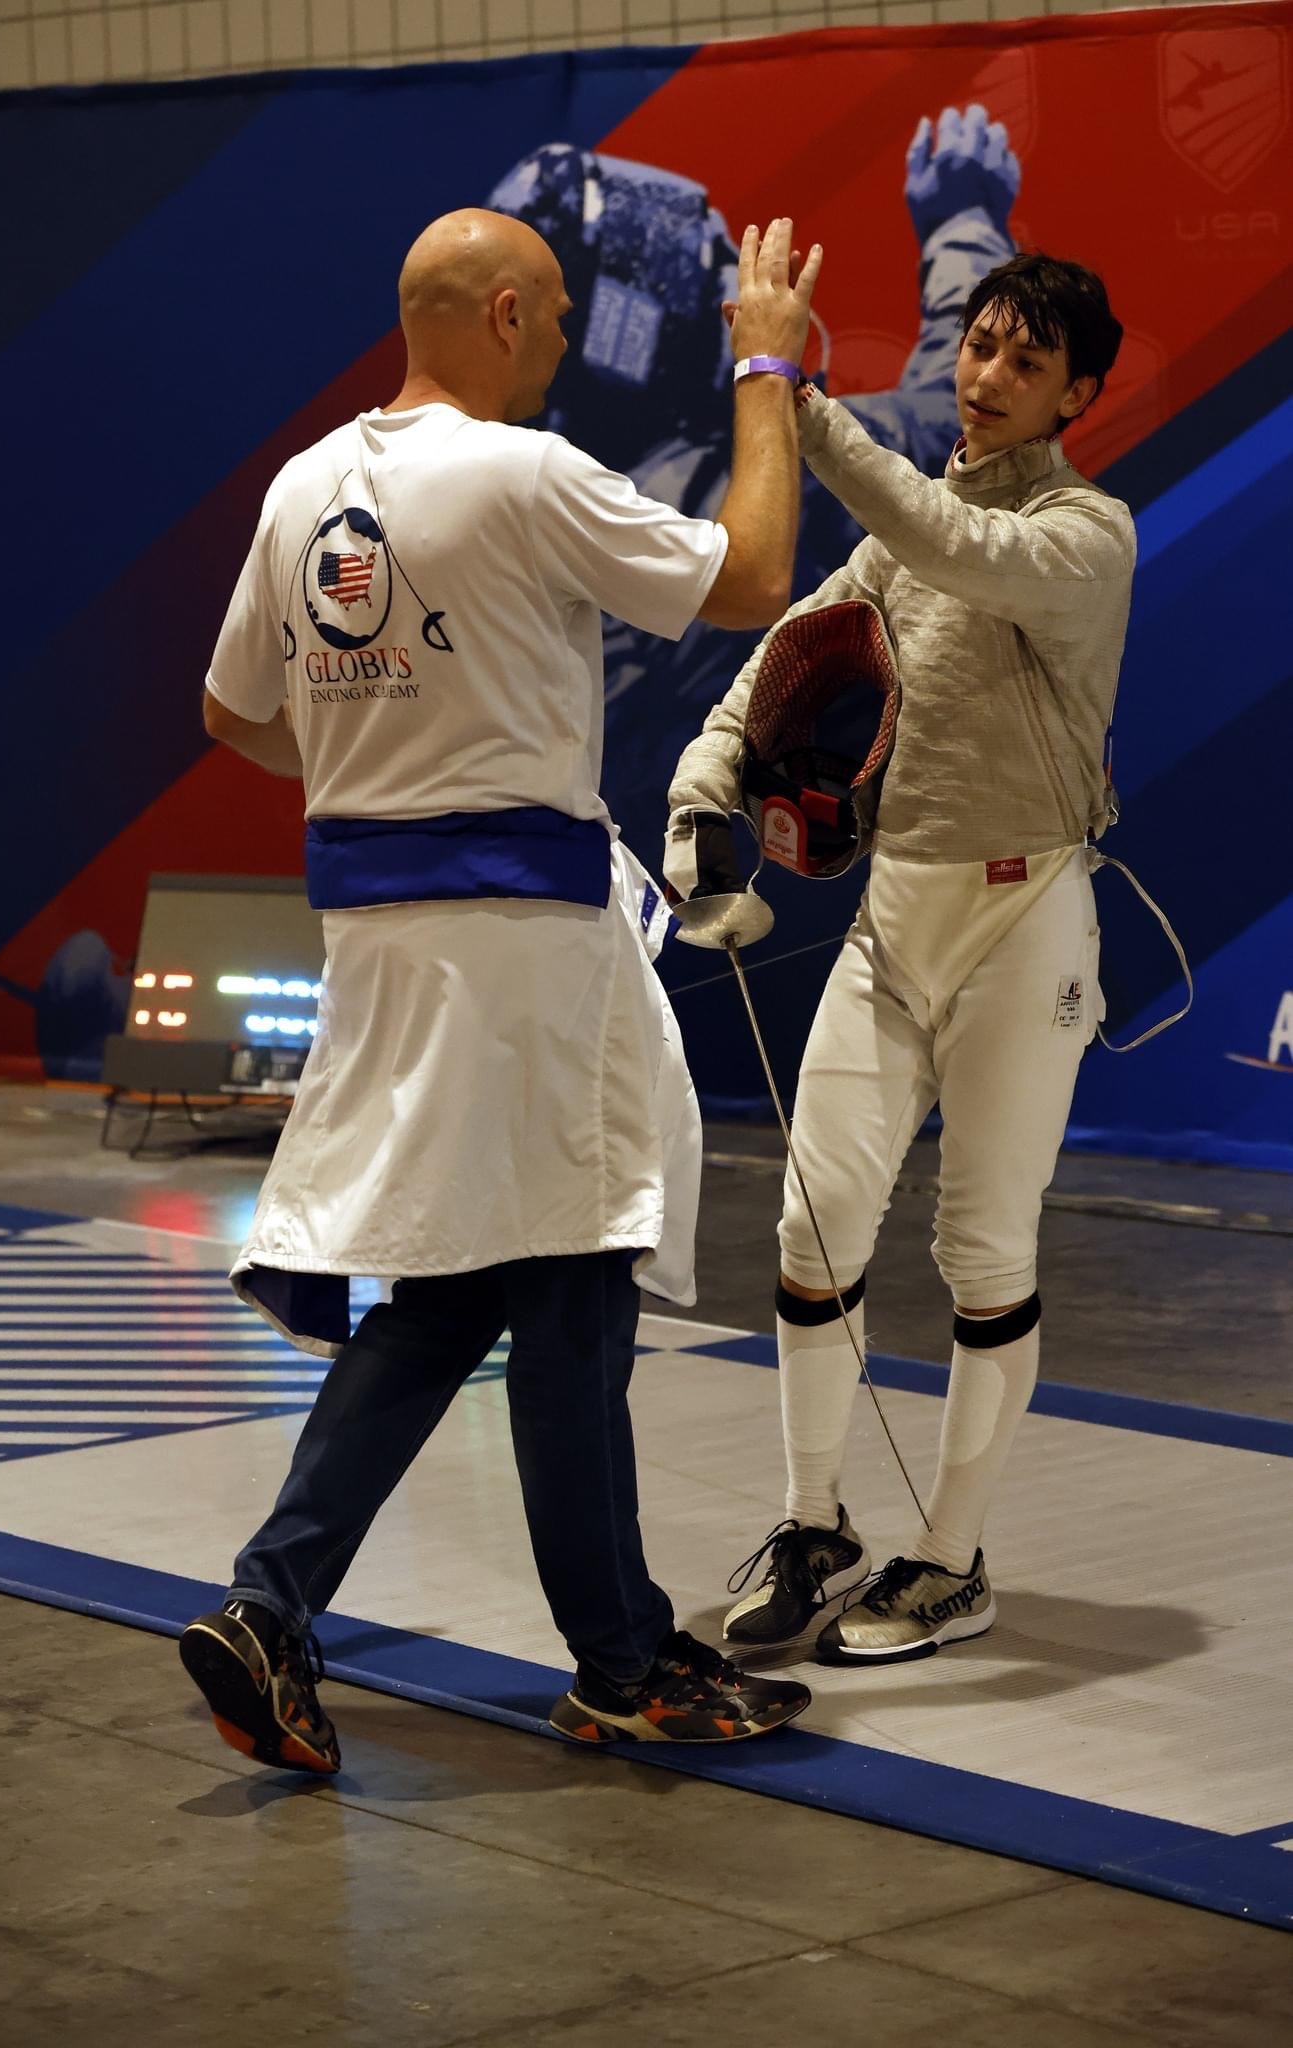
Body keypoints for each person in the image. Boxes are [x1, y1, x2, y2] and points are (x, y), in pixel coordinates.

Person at [179, 206, 823, 1770]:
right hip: (527, 952)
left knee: (459, 1291)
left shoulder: (302, 486)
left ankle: (272, 1609)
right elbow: (745, 575)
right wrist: (766, 363)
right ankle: (620, 1667)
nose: (552, 349)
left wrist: (378, 763)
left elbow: (231, 711)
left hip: (383, 948)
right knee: (574, 1290)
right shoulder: (521, 475)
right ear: (511, 314)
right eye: (546, 322)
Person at [666, 252, 1133, 1664]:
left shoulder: (1084, 535)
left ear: (1077, 395)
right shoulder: (895, 537)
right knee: (815, 1233)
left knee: (982, 1248)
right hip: (895, 919)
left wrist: (792, 401)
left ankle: (948, 1561)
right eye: (977, 346)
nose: (983, 379)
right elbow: (778, 669)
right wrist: (701, 796)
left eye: (1022, 363)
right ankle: (814, 1528)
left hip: (1024, 920)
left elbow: (953, 546)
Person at [488, 106, 1023, 859]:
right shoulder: (714, 483)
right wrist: (962, 217)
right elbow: (953, 421)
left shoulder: (524, 481)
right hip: (747, 868)